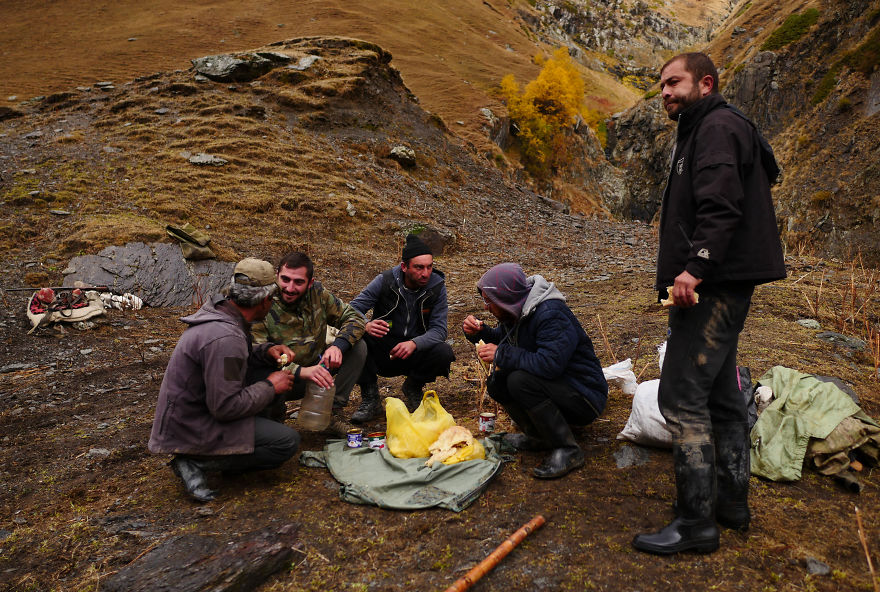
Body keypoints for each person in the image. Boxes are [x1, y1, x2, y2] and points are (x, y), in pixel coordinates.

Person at [631, 52, 786, 555]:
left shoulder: (716, 127)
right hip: (724, 281)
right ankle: (732, 505)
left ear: (706, 82)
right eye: (661, 86)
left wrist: (695, 266)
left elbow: (721, 205)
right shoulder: (705, 126)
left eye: (673, 82)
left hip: (713, 285)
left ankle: (696, 524)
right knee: (720, 395)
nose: (665, 93)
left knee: (681, 398)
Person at [148, 258, 300, 503]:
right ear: (264, 300)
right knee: (286, 442)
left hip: (194, 413)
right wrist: (271, 386)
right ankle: (196, 462)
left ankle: (237, 446)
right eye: (273, 297)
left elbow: (231, 366)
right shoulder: (225, 337)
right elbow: (225, 406)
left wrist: (266, 351)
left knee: (267, 370)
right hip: (192, 427)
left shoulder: (225, 313)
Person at [462, 263, 607, 479]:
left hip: (585, 396)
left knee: (519, 380)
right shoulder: (517, 311)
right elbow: (505, 340)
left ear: (505, 297)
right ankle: (538, 436)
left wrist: (502, 354)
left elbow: (549, 364)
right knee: (498, 382)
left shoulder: (551, 314)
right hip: (560, 389)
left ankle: (568, 449)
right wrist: (479, 333)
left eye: (488, 301)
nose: (486, 308)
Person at [251, 251, 367, 436]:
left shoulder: (318, 294)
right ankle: (274, 419)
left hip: (318, 370)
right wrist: (301, 371)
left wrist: (339, 345)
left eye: (298, 282)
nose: (289, 288)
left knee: (358, 347)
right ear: (277, 276)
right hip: (279, 379)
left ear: (310, 282)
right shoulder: (264, 302)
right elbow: (255, 353)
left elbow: (354, 317)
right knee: (276, 430)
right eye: (285, 279)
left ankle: (333, 412)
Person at [349, 234, 455, 422]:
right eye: (419, 267)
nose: (426, 273)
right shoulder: (385, 281)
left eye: (429, 267)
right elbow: (352, 309)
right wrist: (367, 325)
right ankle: (371, 397)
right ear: (404, 267)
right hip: (383, 347)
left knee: (443, 351)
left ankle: (413, 386)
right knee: (356, 337)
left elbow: (439, 330)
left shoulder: (437, 286)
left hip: (414, 352)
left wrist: (414, 343)